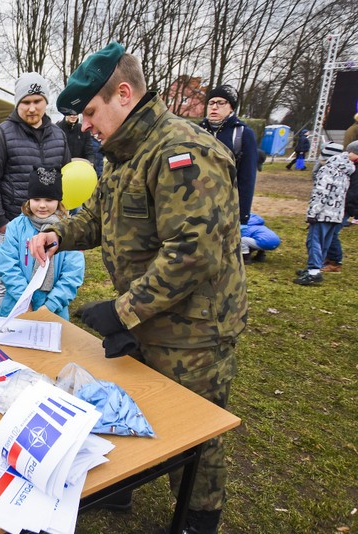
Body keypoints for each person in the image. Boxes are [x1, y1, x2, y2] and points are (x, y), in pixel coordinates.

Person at [29, 42, 247, 534]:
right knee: (136, 401)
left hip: (194, 329)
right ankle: (123, 486)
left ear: (124, 94)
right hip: (152, 318)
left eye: (90, 111)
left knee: (195, 429)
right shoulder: (123, 153)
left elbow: (193, 252)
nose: (85, 124)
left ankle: (197, 518)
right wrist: (58, 233)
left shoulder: (181, 152)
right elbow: (98, 215)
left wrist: (122, 310)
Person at [0, 72, 70, 314]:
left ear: (46, 101)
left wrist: (66, 222)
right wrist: (0, 221)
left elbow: (66, 178)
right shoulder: (2, 134)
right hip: (12, 222)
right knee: (5, 278)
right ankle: (1, 324)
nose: (32, 108)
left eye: (37, 101)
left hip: (51, 224)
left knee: (48, 275)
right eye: (26, 102)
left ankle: (44, 318)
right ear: (17, 103)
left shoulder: (59, 136)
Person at [0, 167, 84, 320]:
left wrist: (50, 306)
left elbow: (72, 274)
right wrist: (24, 302)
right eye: (36, 199)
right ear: (29, 199)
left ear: (59, 201)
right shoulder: (16, 227)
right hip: (17, 306)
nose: (42, 205)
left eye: (49, 200)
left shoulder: (69, 231)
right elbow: (7, 265)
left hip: (53, 313)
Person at [294, 141, 358, 285]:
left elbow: (321, 194)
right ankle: (315, 267)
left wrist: (313, 213)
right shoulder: (346, 170)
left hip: (322, 214)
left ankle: (313, 272)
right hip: (336, 214)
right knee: (324, 243)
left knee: (314, 241)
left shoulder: (328, 170)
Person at [201, 85, 258, 224]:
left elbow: (247, 178)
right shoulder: (196, 131)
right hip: (198, 205)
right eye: (211, 103)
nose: (214, 107)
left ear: (231, 107)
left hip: (226, 208)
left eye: (221, 103)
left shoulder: (243, 134)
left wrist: (242, 215)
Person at [323, 143, 358, 272]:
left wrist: (349, 208)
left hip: (346, 206)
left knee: (332, 233)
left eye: (350, 152)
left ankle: (335, 262)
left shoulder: (354, 170)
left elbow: (353, 192)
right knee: (329, 232)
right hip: (341, 204)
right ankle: (328, 258)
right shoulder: (351, 167)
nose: (347, 154)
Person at [57, 108, 104, 177]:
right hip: (63, 170)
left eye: (75, 114)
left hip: (80, 170)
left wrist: (91, 163)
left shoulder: (83, 130)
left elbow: (89, 151)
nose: (73, 116)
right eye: (70, 114)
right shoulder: (57, 129)